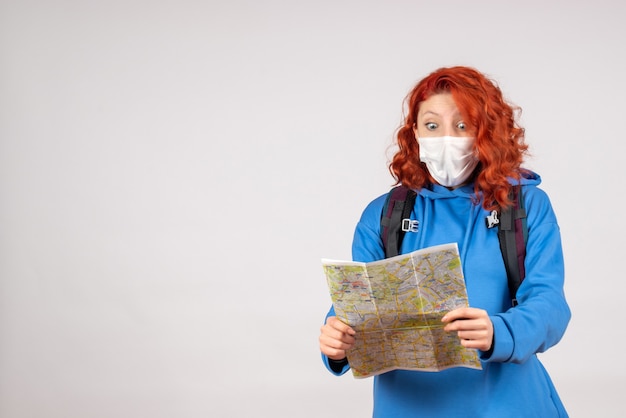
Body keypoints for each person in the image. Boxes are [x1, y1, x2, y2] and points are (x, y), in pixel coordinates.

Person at [318, 66, 571, 417]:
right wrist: (336, 342)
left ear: (488, 131)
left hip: (506, 405)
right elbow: (359, 303)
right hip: (406, 406)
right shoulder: (385, 214)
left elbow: (550, 306)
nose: (447, 138)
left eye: (463, 125)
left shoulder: (524, 206)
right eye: (432, 125)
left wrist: (500, 331)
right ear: (415, 133)